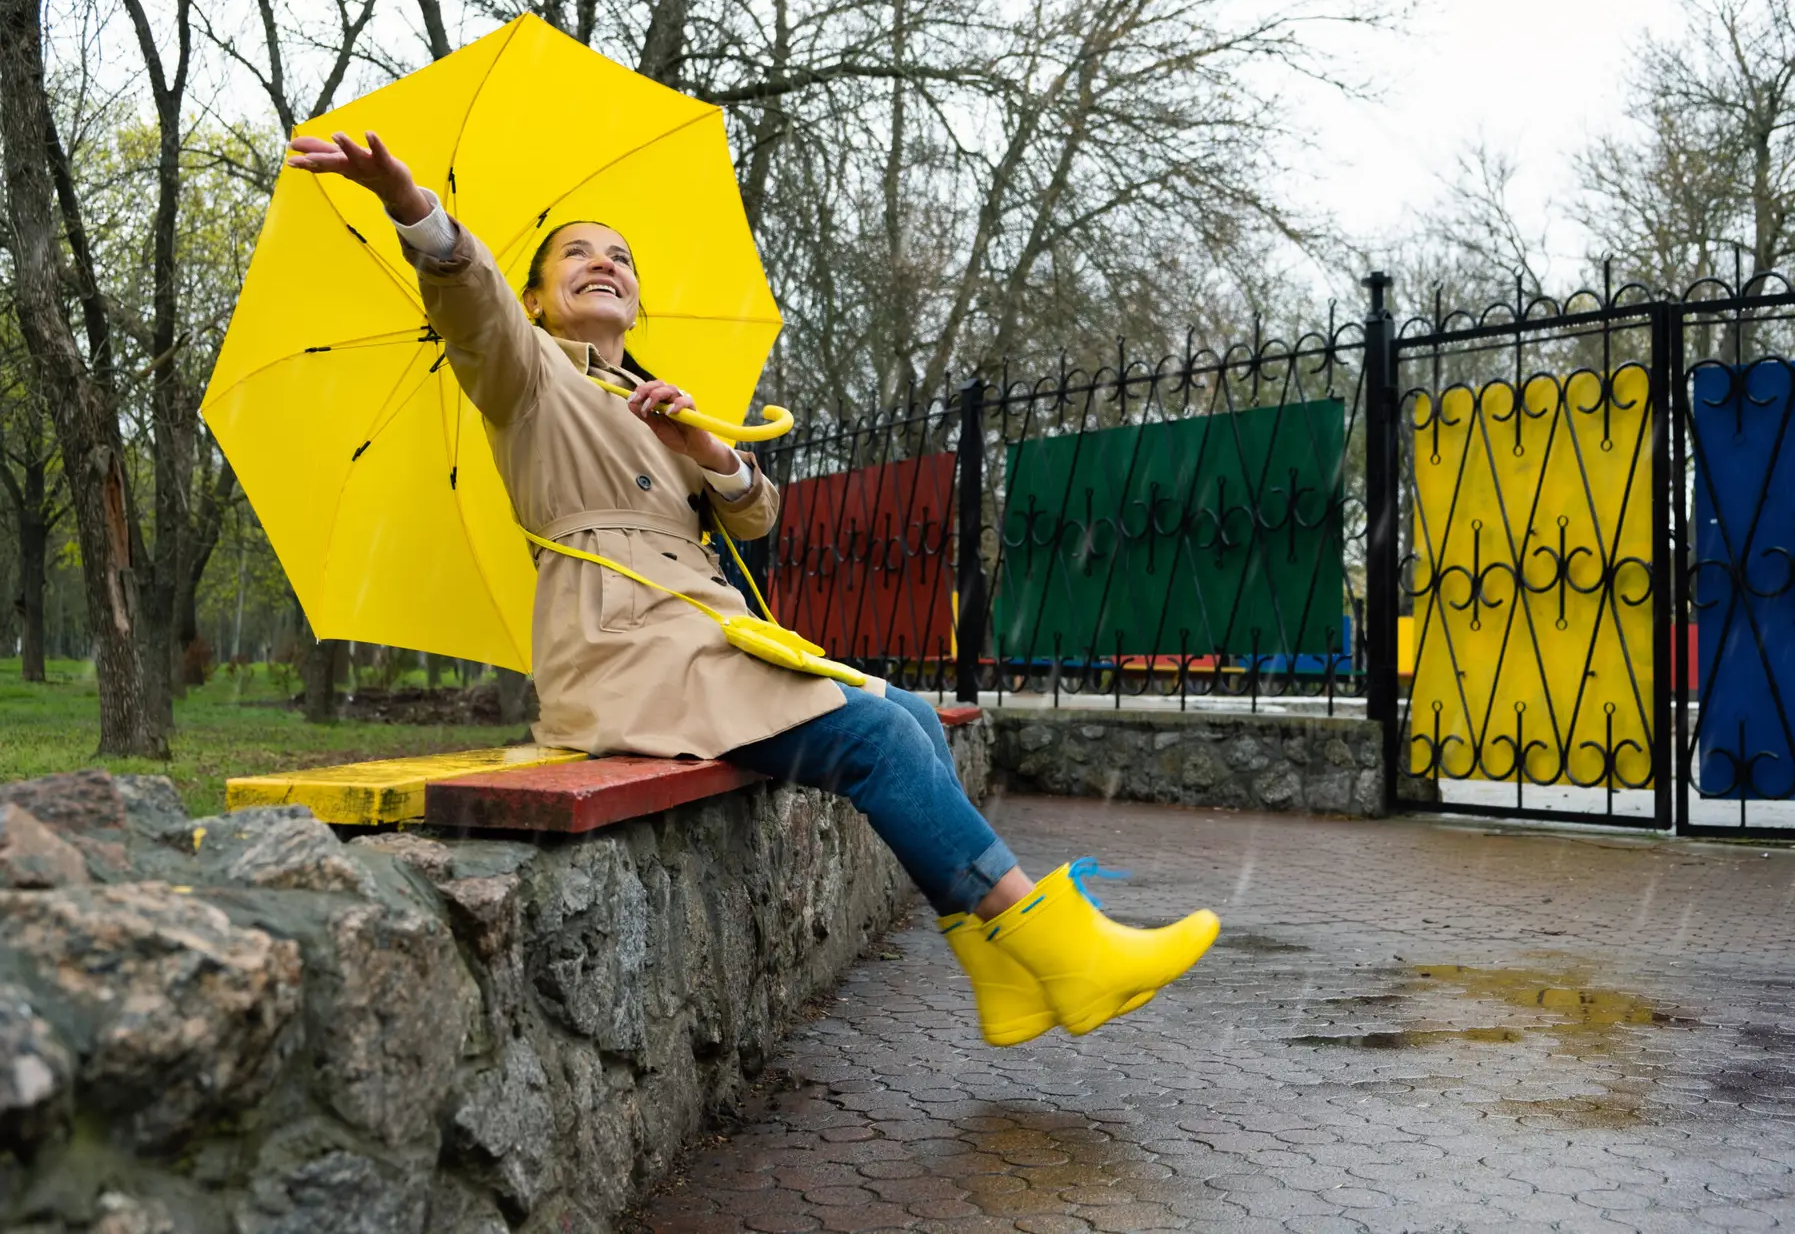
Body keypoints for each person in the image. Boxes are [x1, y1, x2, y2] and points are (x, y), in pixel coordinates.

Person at [286, 130, 1217, 1044]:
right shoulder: (523, 373)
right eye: (576, 254)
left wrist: (706, 446)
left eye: (621, 258)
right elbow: (470, 301)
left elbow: (756, 520)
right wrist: (413, 208)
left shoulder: (653, 397)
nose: (604, 263)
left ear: (637, 299)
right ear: (533, 296)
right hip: (623, 649)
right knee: (876, 735)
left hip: (697, 632)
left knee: (915, 717)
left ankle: (998, 973)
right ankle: (1057, 947)